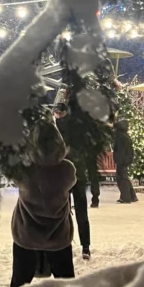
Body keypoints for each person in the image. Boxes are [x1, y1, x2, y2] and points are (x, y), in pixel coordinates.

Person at [10, 121, 76, 287]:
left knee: (19, 285)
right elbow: (72, 183)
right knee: (66, 285)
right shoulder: (67, 170)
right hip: (58, 235)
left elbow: (9, 173)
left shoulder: (24, 171)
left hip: (26, 235)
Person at [54, 104, 92, 261]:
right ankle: (86, 247)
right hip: (79, 173)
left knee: (62, 212)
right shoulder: (79, 127)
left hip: (63, 175)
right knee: (82, 211)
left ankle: (64, 244)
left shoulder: (57, 129)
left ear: (58, 114)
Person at [113, 117, 138, 203]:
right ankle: (132, 196)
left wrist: (119, 161)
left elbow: (120, 150)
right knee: (125, 177)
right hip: (126, 159)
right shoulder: (125, 135)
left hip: (122, 160)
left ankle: (126, 197)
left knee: (122, 178)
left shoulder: (120, 136)